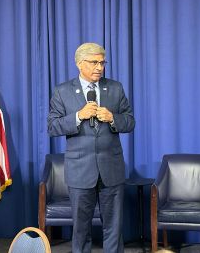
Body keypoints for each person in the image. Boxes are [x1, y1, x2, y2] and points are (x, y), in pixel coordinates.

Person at [48, 42, 135, 253]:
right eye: (94, 62)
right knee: (81, 228)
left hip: (111, 168)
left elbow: (130, 122)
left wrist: (113, 118)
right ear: (79, 64)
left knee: (113, 227)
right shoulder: (62, 91)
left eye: (102, 62)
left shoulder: (115, 88)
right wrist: (78, 116)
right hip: (79, 170)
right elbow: (53, 126)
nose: (99, 67)